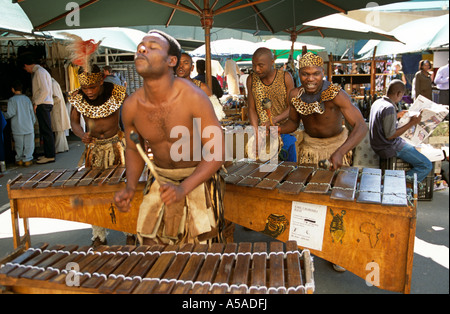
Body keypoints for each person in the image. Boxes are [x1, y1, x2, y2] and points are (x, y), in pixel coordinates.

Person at [114, 30, 226, 246]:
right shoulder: (130, 106)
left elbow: (217, 151)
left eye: (153, 47)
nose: (142, 50)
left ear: (171, 60)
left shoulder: (194, 96)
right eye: (140, 47)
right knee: (153, 255)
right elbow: (132, 149)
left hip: (198, 180)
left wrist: (183, 189)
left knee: (199, 260)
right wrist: (130, 186)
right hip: (161, 180)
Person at [65, 34, 131, 246]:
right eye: (85, 89)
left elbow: (132, 115)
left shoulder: (118, 93)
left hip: (117, 146)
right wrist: (80, 134)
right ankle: (98, 235)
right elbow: (74, 121)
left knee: (122, 188)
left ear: (101, 81)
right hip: (94, 150)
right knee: (94, 191)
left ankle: (129, 230)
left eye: (93, 87)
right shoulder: (78, 97)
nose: (90, 92)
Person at [279, 52, 367, 171]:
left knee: (335, 188)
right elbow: (293, 123)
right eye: (305, 74)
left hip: (335, 149)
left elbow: (361, 126)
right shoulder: (295, 95)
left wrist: (341, 152)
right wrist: (277, 129)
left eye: (316, 74)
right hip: (309, 150)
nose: (310, 79)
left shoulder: (336, 94)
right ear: (299, 74)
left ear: (323, 73)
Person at [369, 79, 432, 182]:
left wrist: (397, 116)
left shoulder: (378, 102)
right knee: (426, 165)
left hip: (378, 144)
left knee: (414, 146)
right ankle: (400, 185)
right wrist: (412, 123)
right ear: (398, 93)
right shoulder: (389, 108)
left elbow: (381, 121)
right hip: (388, 147)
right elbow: (390, 135)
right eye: (402, 95)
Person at [247, 47, 297, 162]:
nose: (257, 69)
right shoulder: (251, 79)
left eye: (260, 65)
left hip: (284, 131)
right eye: (254, 65)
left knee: (289, 173)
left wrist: (274, 120)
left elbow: (292, 107)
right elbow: (251, 109)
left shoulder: (285, 77)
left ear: (272, 62)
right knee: (265, 174)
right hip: (264, 135)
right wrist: (256, 133)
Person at [22, 57, 55, 164]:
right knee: (45, 129)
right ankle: (48, 154)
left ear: (27, 65)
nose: (26, 70)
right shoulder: (40, 71)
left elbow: (44, 90)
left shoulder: (39, 72)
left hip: (43, 103)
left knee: (46, 130)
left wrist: (36, 103)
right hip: (45, 103)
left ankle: (50, 155)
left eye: (25, 68)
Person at [177, 53, 226, 121]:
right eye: (178, 63)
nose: (181, 66)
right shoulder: (166, 88)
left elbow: (216, 114)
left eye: (185, 63)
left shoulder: (202, 87)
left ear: (192, 68)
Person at [3, 81, 35, 167]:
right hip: (28, 126)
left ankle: (19, 159)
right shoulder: (27, 99)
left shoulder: (12, 100)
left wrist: (3, 115)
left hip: (17, 127)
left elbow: (10, 113)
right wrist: (33, 122)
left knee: (19, 145)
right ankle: (28, 160)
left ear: (13, 90)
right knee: (29, 144)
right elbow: (32, 113)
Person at [50, 76, 71, 153]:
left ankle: (59, 148)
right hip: (57, 109)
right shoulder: (53, 83)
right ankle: (63, 147)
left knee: (59, 129)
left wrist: (48, 101)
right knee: (59, 130)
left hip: (57, 109)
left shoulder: (53, 84)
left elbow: (57, 98)